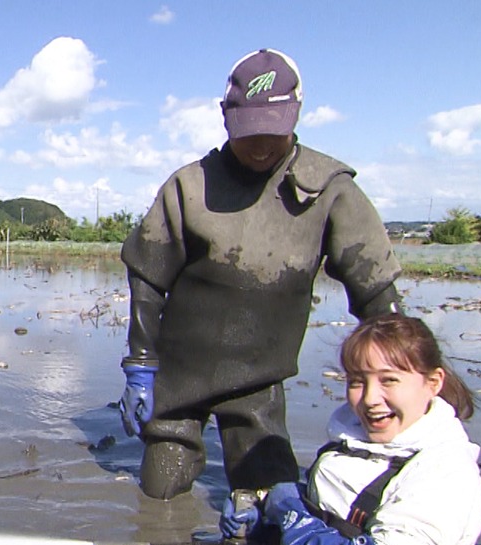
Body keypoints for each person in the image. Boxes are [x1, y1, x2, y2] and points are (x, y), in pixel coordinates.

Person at [119, 48, 402, 503]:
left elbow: (377, 293)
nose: (261, 146)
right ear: (226, 117)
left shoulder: (330, 191)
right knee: (158, 497)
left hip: (257, 377)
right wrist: (140, 364)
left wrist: (400, 377)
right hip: (180, 374)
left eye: (274, 132)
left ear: (296, 116)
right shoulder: (190, 187)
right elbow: (148, 280)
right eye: (249, 133)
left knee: (274, 506)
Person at [233, 315, 481, 545]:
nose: (368, 399)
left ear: (433, 383)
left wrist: (290, 515)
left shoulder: (444, 473)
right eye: (356, 381)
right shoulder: (355, 438)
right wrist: (262, 515)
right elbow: (332, 504)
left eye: (389, 381)